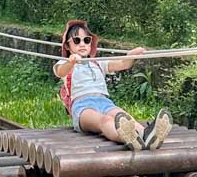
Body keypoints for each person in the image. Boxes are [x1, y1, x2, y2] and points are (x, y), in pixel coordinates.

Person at [53, 19, 172, 151]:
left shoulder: (97, 63)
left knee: (123, 116)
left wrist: (131, 55)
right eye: (76, 40)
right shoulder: (64, 62)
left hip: (105, 102)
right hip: (82, 107)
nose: (82, 44)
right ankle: (129, 138)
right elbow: (60, 71)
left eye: (86, 40)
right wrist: (71, 62)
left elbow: (123, 64)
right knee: (104, 121)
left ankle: (146, 135)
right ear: (67, 46)